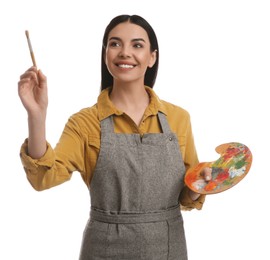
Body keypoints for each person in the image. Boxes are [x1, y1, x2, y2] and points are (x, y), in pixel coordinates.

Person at [18, 14, 212, 260]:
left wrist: (201, 186)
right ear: (105, 54)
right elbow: (43, 178)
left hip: (167, 249)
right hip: (104, 249)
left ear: (152, 57)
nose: (125, 52)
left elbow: (186, 195)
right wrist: (37, 115)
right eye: (115, 43)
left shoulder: (177, 118)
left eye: (137, 45)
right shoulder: (85, 123)